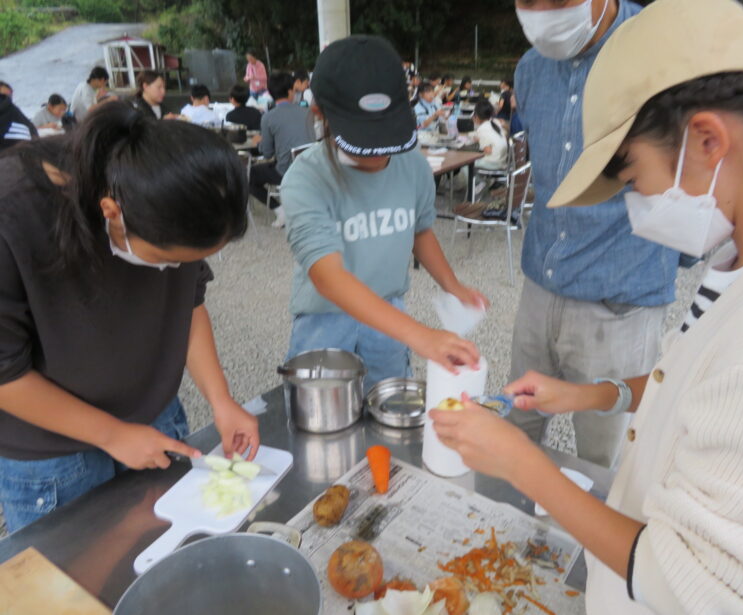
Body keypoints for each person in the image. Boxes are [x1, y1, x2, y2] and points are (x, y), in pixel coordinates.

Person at [432, 1, 743, 613]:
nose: (637, 207)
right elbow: (690, 385)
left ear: (708, 140)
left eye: (633, 177)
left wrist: (524, 464)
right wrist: (588, 394)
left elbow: (689, 585)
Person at [0, 102, 261, 533]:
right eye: (167, 261)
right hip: (53, 457)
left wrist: (221, 400)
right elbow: (5, 375)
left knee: (166, 564)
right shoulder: (14, 213)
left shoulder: (173, 195)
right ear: (111, 213)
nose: (177, 272)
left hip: (154, 422)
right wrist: (112, 435)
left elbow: (189, 306)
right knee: (76, 595)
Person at [510, 0, 681, 469]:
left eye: (559, 1)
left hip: (619, 304)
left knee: (607, 462)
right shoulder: (530, 69)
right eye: (527, 1)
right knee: (515, 435)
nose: (542, 12)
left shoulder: (661, 55)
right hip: (539, 289)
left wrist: (667, 259)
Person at [280, 35, 486, 391]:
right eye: (364, 139)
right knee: (321, 417)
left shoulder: (412, 167)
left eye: (385, 136)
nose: (378, 155)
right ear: (320, 114)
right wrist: (421, 336)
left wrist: (453, 286)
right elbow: (328, 278)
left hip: (389, 314)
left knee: (388, 406)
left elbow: (420, 232)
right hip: (324, 319)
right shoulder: (306, 178)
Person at [249, 71, 315, 227]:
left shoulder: (268, 117)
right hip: (310, 168)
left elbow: (267, 153)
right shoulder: (307, 112)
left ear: (271, 93)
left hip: (286, 171)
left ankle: (280, 210)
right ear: (291, 91)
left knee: (249, 175)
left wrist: (259, 142)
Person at [470, 100, 507, 171]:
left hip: (492, 163)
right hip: (502, 161)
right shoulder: (496, 122)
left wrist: (479, 143)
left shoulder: (481, 129)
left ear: (476, 116)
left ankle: (477, 181)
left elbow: (488, 151)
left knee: (466, 163)